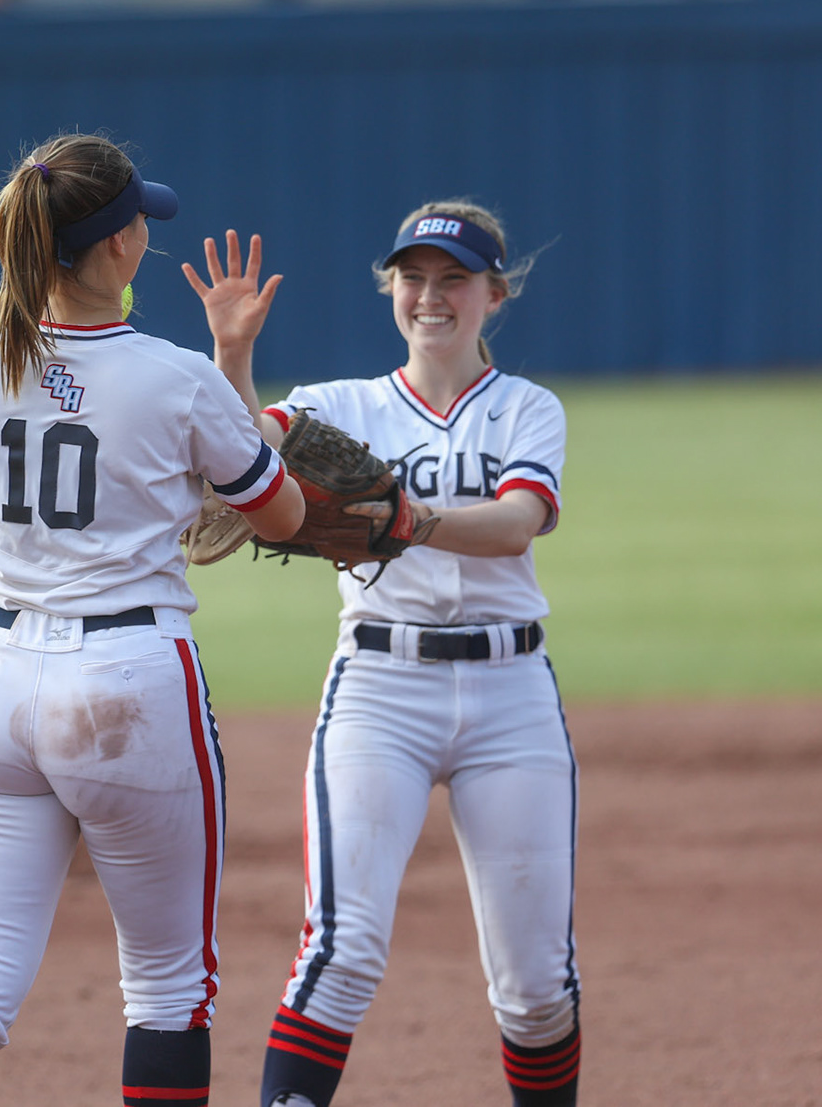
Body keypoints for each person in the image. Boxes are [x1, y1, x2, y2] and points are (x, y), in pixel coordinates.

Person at [0, 132, 305, 1107]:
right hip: (127, 686)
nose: (148, 229)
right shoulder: (174, 374)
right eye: (140, 217)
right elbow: (283, 511)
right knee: (167, 988)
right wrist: (241, 386)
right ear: (118, 247)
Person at [184, 204, 577, 1106]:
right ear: (390, 289)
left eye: (453, 279)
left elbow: (518, 525)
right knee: (341, 949)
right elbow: (240, 458)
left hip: (511, 693)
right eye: (413, 277)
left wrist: (411, 520)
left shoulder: (526, 409)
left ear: (493, 294)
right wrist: (232, 359)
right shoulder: (337, 405)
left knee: (536, 991)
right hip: (379, 690)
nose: (430, 297)